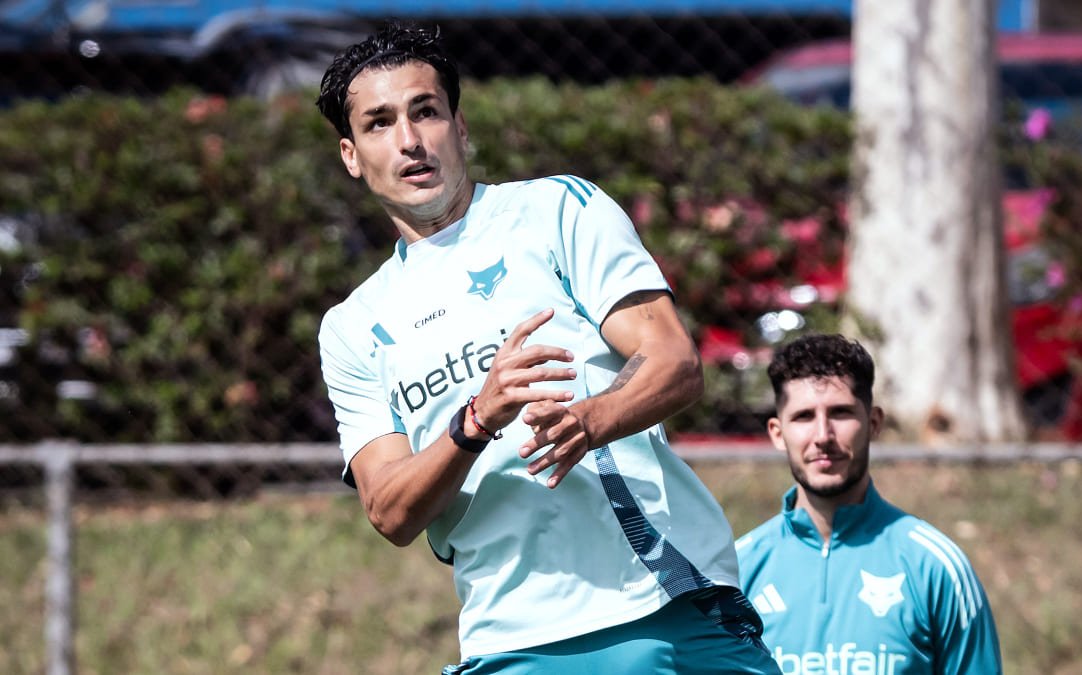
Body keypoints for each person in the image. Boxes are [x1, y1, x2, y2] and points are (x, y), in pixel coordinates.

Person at [313, 21, 780, 675]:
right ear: (351, 155)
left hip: (664, 608)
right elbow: (389, 508)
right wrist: (476, 418)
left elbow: (673, 359)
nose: (411, 141)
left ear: (461, 127)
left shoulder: (557, 211)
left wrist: (588, 421)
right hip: (513, 644)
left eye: (426, 112)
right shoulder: (352, 325)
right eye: (380, 123)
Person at [736, 334, 1002, 675]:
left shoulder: (935, 568)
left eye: (841, 413)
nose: (823, 436)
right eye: (803, 416)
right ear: (777, 432)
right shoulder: (738, 571)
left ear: (874, 423)